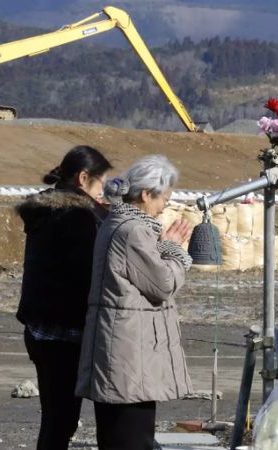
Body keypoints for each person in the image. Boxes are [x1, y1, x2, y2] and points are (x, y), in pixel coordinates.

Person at [76, 155, 194, 450]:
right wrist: (174, 252)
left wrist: (162, 246)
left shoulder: (122, 223)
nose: (165, 205)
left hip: (127, 354)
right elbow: (162, 284)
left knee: (125, 435)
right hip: (129, 357)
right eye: (164, 198)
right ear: (145, 194)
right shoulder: (132, 231)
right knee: (130, 438)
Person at [15, 145, 113, 450]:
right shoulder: (79, 217)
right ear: (84, 178)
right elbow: (92, 272)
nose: (102, 193)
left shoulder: (45, 210)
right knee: (61, 421)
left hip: (39, 328)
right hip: (66, 332)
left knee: (55, 418)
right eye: (101, 184)